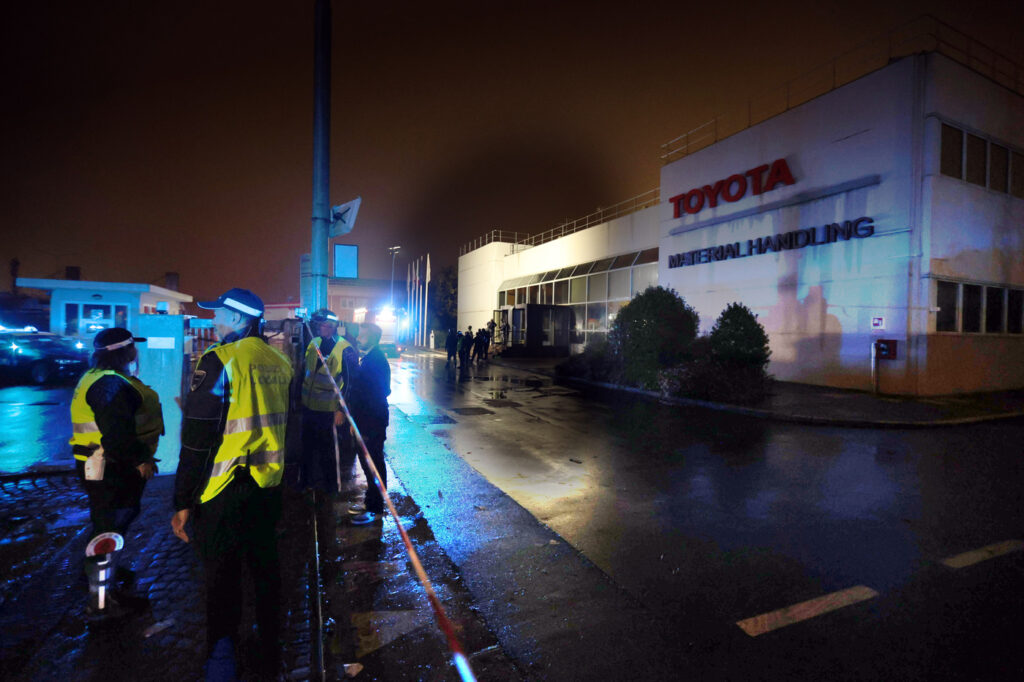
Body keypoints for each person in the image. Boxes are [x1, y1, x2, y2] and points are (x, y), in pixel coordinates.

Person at [170, 288, 293, 680]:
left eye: (220, 314)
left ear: (240, 320)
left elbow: (197, 440)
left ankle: (222, 662)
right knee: (265, 572)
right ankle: (271, 650)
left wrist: (183, 500)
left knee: (222, 581)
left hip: (224, 490)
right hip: (267, 487)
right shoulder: (280, 361)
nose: (213, 320)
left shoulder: (219, 360)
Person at [70, 327, 162, 618]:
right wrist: (140, 461)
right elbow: (117, 435)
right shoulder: (111, 385)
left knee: (110, 524)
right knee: (110, 527)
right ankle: (100, 603)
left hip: (101, 465)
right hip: (111, 468)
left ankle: (103, 576)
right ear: (127, 352)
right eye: (135, 348)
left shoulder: (102, 378)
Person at [300, 308, 359, 494]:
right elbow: (305, 373)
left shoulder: (345, 349)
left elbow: (350, 383)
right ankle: (306, 482)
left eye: (322, 325)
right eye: (317, 324)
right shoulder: (314, 343)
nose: (318, 328)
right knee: (307, 448)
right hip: (309, 406)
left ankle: (331, 486)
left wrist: (341, 410)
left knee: (329, 451)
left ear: (332, 326)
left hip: (329, 409)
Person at [347, 322, 391, 525]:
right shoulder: (372, 358)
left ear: (372, 338)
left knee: (372, 464)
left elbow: (372, 395)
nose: (358, 338)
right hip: (369, 421)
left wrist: (362, 426)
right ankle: (372, 503)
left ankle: (375, 508)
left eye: (362, 336)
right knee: (370, 464)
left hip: (370, 423)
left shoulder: (375, 360)